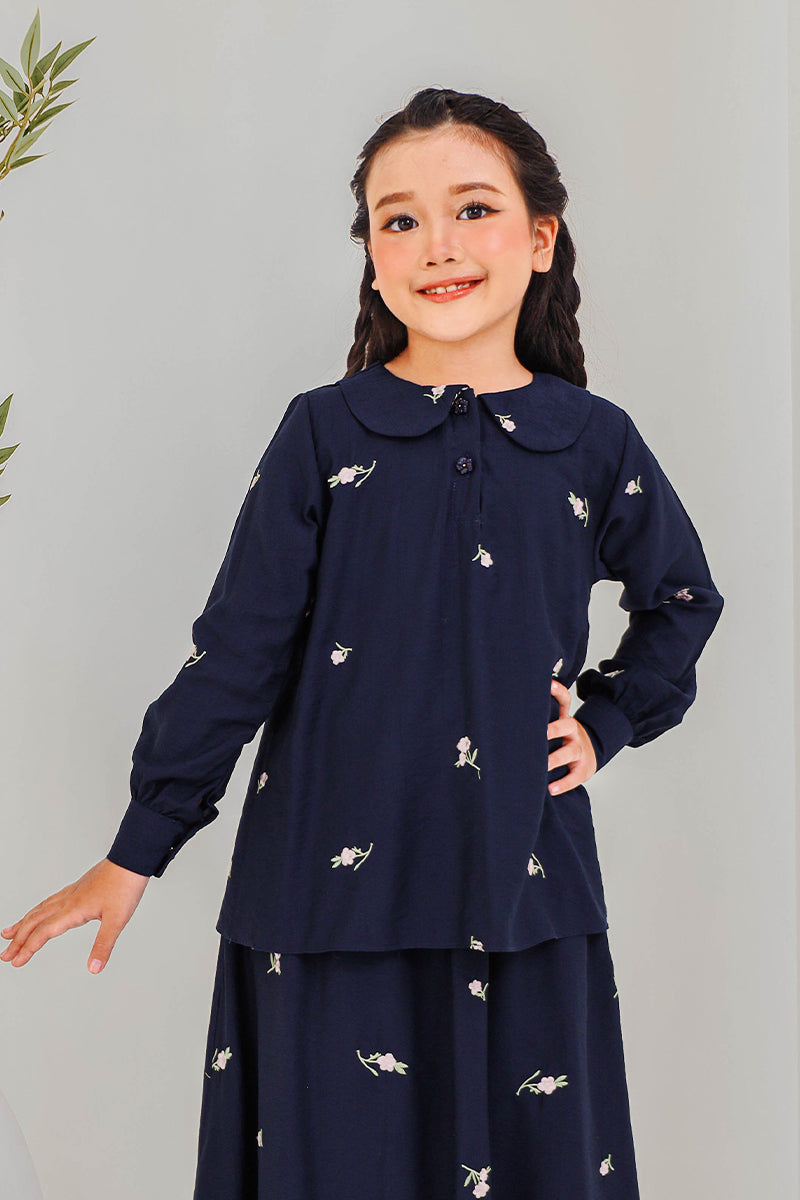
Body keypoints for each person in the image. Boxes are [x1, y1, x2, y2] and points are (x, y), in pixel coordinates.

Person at [1, 87, 724, 1199]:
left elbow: (681, 600)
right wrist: (138, 847)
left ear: (540, 237)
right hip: (323, 907)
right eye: (399, 219)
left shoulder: (592, 441)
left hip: (523, 895)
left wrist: (608, 721)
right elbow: (236, 653)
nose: (437, 243)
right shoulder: (322, 432)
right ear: (373, 257)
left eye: (472, 208)